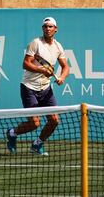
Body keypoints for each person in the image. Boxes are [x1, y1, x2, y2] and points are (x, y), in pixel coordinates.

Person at [6, 17, 69, 155]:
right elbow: (26, 63)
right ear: (43, 28)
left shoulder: (58, 47)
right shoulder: (36, 43)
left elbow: (65, 67)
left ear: (55, 29)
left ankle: (37, 144)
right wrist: (42, 70)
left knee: (54, 121)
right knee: (34, 123)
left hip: (46, 89)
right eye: (45, 26)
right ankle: (12, 133)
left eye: (50, 26)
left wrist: (62, 78)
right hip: (29, 87)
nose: (47, 29)